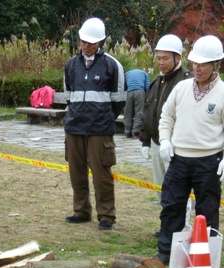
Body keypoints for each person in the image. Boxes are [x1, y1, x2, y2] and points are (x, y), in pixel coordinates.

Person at [156, 35, 224, 265]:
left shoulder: (222, 92)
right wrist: (165, 140)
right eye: (195, 63)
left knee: (207, 210)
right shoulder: (182, 88)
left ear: (217, 65)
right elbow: (167, 116)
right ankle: (166, 252)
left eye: (203, 64)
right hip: (179, 159)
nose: (197, 68)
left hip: (208, 161)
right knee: (171, 206)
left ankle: (207, 256)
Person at [64, 17, 126, 231]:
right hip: (74, 128)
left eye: (91, 42)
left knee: (102, 175)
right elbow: (69, 97)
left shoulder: (112, 65)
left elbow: (119, 100)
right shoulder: (71, 65)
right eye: (83, 41)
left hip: (100, 129)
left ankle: (106, 215)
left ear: (100, 41)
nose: (86, 45)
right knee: (76, 172)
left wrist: (104, 118)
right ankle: (81, 211)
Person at [140, 34, 191, 202]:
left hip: (177, 145)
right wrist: (145, 141)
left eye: (165, 58)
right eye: (158, 58)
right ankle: (166, 225)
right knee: (160, 187)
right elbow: (148, 112)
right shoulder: (157, 81)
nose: (161, 62)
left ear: (178, 57)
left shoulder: (188, 81)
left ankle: (179, 225)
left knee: (177, 188)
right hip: (156, 142)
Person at [123, 69, 149, 138]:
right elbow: (147, 87)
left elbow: (124, 85)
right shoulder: (144, 73)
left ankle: (127, 131)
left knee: (128, 112)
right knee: (139, 112)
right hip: (140, 91)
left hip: (129, 92)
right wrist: (146, 97)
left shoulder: (127, 73)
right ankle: (135, 132)